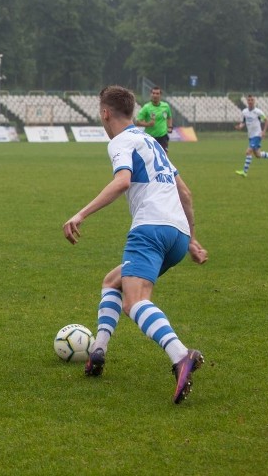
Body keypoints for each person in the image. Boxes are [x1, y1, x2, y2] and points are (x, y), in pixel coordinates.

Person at [62, 85, 208, 404]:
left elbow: (123, 180)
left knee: (134, 303)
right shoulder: (152, 141)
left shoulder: (121, 142)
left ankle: (180, 355)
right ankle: (98, 351)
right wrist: (192, 240)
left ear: (105, 113)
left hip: (150, 229)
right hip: (177, 236)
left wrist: (81, 214)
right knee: (112, 282)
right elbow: (185, 194)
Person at [235, 94, 268, 177]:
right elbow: (243, 122)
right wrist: (240, 126)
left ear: (254, 101)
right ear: (247, 101)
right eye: (249, 100)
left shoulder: (258, 112)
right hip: (251, 136)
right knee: (258, 155)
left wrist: (264, 131)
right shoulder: (244, 112)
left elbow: (267, 121)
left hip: (257, 135)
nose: (250, 101)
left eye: (252, 100)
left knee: (248, 152)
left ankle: (244, 172)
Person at [135, 86, 173, 151]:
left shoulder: (166, 106)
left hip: (163, 136)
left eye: (157, 93)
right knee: (150, 158)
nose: (155, 95)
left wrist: (170, 126)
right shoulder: (146, 107)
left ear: (160, 95)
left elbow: (169, 117)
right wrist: (148, 124)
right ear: (151, 94)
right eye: (153, 93)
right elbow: (137, 122)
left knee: (164, 157)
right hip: (150, 137)